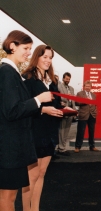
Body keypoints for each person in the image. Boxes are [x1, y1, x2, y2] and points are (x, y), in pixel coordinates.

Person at [0, 30, 52, 211]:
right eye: (26, 48)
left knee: (9, 196)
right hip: (9, 148)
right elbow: (12, 110)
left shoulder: (11, 72)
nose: (29, 52)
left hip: (13, 147)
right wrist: (39, 100)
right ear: (12, 46)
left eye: (30, 48)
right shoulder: (7, 73)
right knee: (8, 197)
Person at [21, 44, 63, 211]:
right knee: (31, 176)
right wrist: (44, 109)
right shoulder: (28, 78)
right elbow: (23, 106)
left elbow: (57, 103)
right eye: (44, 57)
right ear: (36, 57)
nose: (48, 60)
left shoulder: (52, 81)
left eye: (50, 57)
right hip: (34, 132)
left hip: (50, 132)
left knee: (42, 173)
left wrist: (61, 110)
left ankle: (35, 208)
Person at [74, 80, 99, 152]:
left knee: (92, 132)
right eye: (86, 86)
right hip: (83, 115)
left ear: (91, 87)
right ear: (84, 87)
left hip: (92, 115)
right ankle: (77, 147)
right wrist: (85, 101)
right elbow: (76, 102)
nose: (88, 87)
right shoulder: (79, 94)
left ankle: (92, 146)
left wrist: (95, 112)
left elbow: (95, 104)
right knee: (80, 132)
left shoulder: (93, 95)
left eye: (89, 86)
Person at [57, 72, 76, 156]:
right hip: (64, 111)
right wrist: (67, 97)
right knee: (62, 131)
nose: (67, 80)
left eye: (69, 79)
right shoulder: (59, 86)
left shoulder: (71, 88)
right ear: (63, 78)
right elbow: (59, 97)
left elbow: (73, 100)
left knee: (67, 131)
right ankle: (61, 148)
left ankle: (63, 147)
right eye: (66, 79)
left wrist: (74, 111)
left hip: (70, 112)